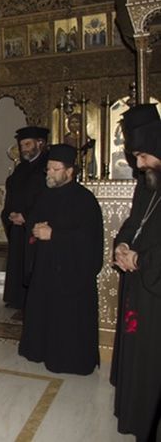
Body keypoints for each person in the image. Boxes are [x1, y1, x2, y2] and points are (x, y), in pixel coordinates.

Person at [18, 144, 103, 375]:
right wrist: (35, 229)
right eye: (48, 169)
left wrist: (54, 235)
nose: (50, 173)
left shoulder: (85, 200)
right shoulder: (45, 196)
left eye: (55, 169)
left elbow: (88, 239)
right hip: (45, 268)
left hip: (70, 274)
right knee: (42, 311)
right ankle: (39, 350)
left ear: (69, 171)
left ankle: (67, 359)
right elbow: (34, 223)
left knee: (66, 319)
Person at [111, 116, 161, 441]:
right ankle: (134, 414)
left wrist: (141, 260)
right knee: (138, 354)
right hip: (138, 285)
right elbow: (133, 222)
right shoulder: (148, 184)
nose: (139, 165)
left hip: (156, 290)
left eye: (143, 156)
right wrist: (122, 245)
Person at [1, 126, 49, 309]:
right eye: (22, 146)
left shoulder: (48, 168)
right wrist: (10, 214)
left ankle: (32, 299)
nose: (24, 149)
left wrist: (27, 217)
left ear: (40, 143)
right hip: (17, 225)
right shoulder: (21, 168)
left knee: (34, 262)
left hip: (35, 226)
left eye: (28, 144)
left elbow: (46, 199)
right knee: (18, 261)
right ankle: (16, 297)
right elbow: (12, 194)